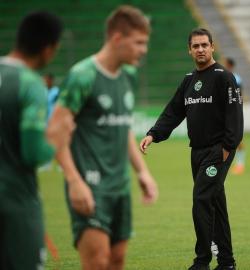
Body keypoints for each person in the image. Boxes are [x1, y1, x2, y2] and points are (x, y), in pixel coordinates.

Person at [49, 5, 158, 270]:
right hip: (90, 185)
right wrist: (74, 181)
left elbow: (123, 128)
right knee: (97, 263)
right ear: (117, 38)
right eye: (139, 42)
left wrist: (142, 171)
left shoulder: (128, 76)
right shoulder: (82, 76)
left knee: (117, 261)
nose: (144, 50)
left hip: (119, 186)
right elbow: (55, 133)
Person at [140, 28, 243, 270]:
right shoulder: (189, 81)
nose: (200, 49)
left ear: (212, 47)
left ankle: (202, 261)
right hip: (196, 151)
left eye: (204, 45)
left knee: (201, 199)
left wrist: (227, 149)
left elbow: (235, 117)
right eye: (195, 46)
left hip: (218, 151)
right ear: (189, 50)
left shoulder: (224, 77)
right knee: (215, 203)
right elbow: (173, 111)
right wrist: (153, 134)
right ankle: (227, 262)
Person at [0, 11, 72, 270]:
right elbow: (34, 153)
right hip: (15, 204)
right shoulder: (31, 85)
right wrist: (58, 136)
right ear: (48, 48)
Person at [224, 57, 245, 175]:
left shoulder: (236, 79)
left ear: (230, 66)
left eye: (225, 63)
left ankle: (240, 165)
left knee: (237, 139)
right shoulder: (223, 76)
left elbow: (239, 97)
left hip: (233, 113)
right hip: (224, 113)